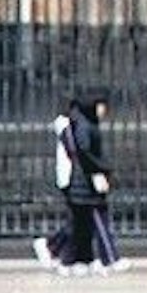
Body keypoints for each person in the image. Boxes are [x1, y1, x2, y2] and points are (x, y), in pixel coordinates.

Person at [35, 91, 125, 271]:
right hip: (82, 181)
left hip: (79, 180)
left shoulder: (80, 124)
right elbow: (83, 153)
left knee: (79, 222)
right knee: (89, 219)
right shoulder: (82, 126)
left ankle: (69, 255)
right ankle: (96, 258)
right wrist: (102, 168)